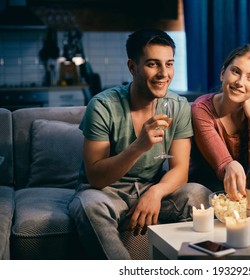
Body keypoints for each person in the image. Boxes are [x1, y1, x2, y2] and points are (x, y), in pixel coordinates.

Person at [68, 28, 211, 260]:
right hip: (105, 192)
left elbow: (180, 170)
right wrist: (139, 146)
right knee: (89, 207)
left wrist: (155, 193)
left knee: (199, 195)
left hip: (149, 188)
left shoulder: (179, 106)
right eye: (153, 64)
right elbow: (96, 177)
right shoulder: (103, 106)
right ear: (132, 67)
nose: (164, 74)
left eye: (169, 64)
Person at [191, 44, 250, 202]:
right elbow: (224, 164)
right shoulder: (201, 109)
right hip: (210, 184)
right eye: (236, 71)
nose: (240, 82)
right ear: (223, 73)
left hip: (246, 183)